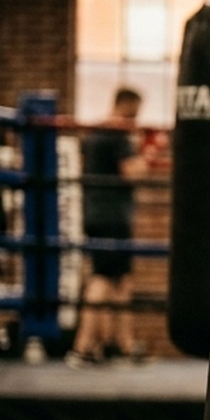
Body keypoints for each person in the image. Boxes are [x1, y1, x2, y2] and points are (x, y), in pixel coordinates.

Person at [68, 87, 159, 368]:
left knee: (122, 281)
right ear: (127, 105)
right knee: (103, 278)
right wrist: (152, 153)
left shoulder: (95, 132)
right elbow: (132, 172)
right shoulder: (117, 133)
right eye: (134, 112)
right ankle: (82, 347)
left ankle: (124, 345)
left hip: (98, 212)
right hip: (111, 216)